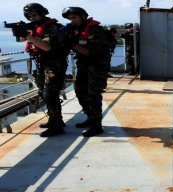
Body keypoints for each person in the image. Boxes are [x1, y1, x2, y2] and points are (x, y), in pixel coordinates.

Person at [11, 3, 70, 137]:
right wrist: (19, 31)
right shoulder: (35, 27)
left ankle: (57, 125)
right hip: (42, 63)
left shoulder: (53, 27)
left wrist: (26, 35)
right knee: (43, 93)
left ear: (42, 14)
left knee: (50, 94)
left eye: (35, 15)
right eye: (30, 16)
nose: (32, 18)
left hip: (54, 64)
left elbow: (47, 47)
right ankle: (55, 120)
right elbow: (21, 39)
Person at [61, 7, 111, 137]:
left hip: (97, 66)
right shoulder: (78, 30)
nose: (72, 21)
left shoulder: (95, 31)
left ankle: (96, 125)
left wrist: (72, 43)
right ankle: (90, 117)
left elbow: (90, 52)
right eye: (70, 18)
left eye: (74, 18)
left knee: (93, 94)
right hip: (84, 65)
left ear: (82, 17)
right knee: (80, 91)